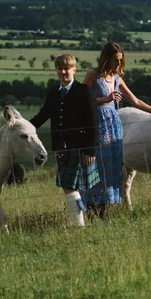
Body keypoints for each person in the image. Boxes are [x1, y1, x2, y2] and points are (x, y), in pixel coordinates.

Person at [82, 41, 151, 214]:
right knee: (98, 165)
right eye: (115, 61)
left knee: (113, 165)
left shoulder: (117, 78)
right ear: (106, 59)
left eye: (120, 61)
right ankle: (92, 206)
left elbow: (136, 101)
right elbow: (80, 98)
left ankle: (105, 208)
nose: (118, 64)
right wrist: (105, 99)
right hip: (97, 123)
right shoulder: (93, 74)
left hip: (114, 125)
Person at [30, 53, 99, 227]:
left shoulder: (84, 91)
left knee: (70, 187)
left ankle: (78, 225)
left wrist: (90, 150)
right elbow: (42, 115)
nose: (63, 72)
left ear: (74, 70)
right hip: (61, 148)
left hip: (79, 147)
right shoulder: (54, 92)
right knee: (68, 187)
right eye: (60, 69)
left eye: (67, 68)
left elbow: (93, 122)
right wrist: (23, 128)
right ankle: (80, 221)